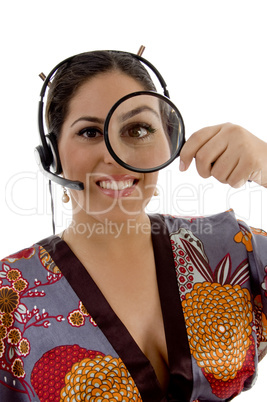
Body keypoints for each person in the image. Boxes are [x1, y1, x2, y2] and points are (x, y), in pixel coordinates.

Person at [0, 50, 267, 402]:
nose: (114, 155)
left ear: (168, 139)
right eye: (90, 131)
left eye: (137, 129)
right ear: (52, 155)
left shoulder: (235, 247)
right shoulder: (9, 301)